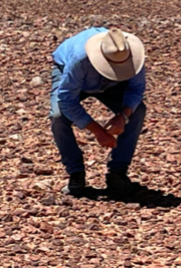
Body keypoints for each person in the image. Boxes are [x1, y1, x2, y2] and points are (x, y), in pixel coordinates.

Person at [50, 27, 147, 198]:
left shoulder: (132, 57)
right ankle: (76, 174)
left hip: (111, 85)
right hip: (74, 77)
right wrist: (98, 131)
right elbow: (66, 99)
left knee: (137, 111)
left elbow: (136, 89)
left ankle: (118, 173)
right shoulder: (80, 59)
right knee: (58, 116)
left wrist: (123, 117)